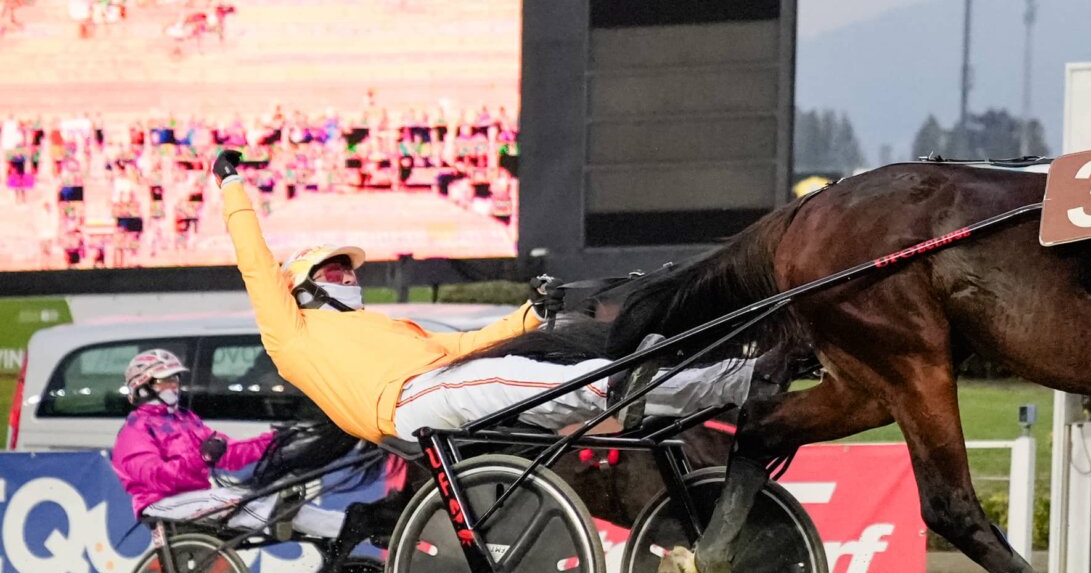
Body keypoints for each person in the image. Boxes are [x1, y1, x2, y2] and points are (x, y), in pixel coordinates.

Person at [212, 149, 755, 443]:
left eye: (349, 273)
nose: (350, 279)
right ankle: (717, 381)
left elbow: (469, 345)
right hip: (408, 404)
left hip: (444, 385)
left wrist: (531, 315)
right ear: (304, 291)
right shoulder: (291, 334)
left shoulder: (387, 329)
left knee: (554, 371)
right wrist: (232, 186)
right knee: (571, 382)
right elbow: (256, 265)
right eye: (335, 274)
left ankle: (735, 380)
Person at [109, 348, 343, 541]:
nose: (174, 385)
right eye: (164, 380)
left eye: (175, 379)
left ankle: (348, 528)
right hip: (160, 504)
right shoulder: (134, 431)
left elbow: (230, 454)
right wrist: (201, 458)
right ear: (143, 385)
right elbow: (157, 477)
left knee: (267, 502)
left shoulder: (186, 419)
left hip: (195, 498)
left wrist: (273, 440)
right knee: (243, 502)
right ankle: (278, 517)